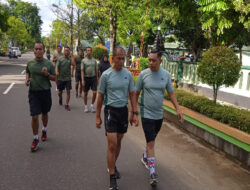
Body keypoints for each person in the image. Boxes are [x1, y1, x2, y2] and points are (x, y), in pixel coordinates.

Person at [135, 50, 184, 186]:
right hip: (146, 113)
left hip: (159, 115)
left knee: (152, 139)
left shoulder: (165, 75)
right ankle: (152, 172)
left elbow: (171, 93)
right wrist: (133, 111)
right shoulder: (144, 74)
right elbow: (135, 92)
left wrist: (178, 109)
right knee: (151, 143)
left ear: (160, 61)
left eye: (153, 60)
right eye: (149, 60)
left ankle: (145, 156)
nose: (150, 62)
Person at [96, 47, 139, 190]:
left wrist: (134, 112)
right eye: (118, 58)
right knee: (112, 144)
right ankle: (112, 177)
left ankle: (112, 165)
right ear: (113, 58)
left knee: (119, 141)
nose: (121, 60)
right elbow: (100, 96)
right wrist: (97, 116)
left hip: (123, 111)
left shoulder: (128, 74)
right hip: (110, 111)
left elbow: (132, 93)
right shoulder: (106, 75)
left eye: (123, 58)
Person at [25, 41, 56, 152]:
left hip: (45, 92)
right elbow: (28, 72)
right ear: (34, 50)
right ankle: (35, 138)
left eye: (40, 49)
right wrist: (26, 80)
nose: (38, 51)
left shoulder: (48, 64)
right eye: (36, 49)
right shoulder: (30, 63)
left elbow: (55, 78)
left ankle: (44, 129)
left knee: (44, 114)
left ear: (43, 50)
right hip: (33, 93)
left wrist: (47, 74)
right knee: (34, 116)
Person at [81, 47, 98, 113]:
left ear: (91, 52)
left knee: (94, 92)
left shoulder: (94, 60)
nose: (89, 52)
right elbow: (82, 71)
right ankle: (86, 106)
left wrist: (97, 78)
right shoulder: (83, 60)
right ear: (86, 52)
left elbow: (96, 70)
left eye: (90, 50)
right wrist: (82, 80)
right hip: (86, 78)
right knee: (85, 93)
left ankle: (92, 105)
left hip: (93, 77)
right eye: (87, 50)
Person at [56, 46, 73, 111]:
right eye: (65, 50)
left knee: (68, 91)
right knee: (60, 92)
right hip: (61, 78)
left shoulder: (69, 59)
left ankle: (66, 104)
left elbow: (73, 64)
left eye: (68, 51)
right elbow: (57, 66)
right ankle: (60, 98)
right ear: (64, 51)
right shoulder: (60, 59)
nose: (66, 52)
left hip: (68, 78)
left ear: (69, 52)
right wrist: (57, 72)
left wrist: (72, 56)